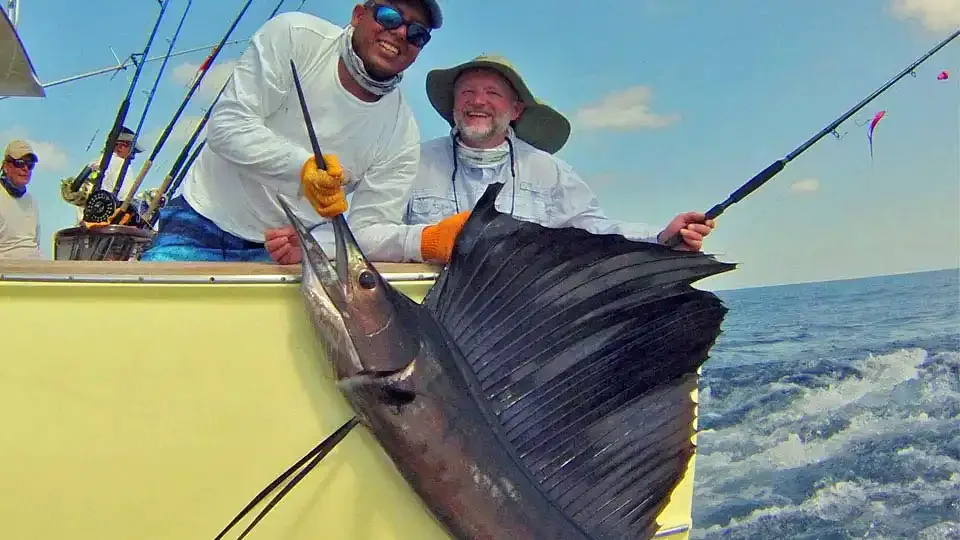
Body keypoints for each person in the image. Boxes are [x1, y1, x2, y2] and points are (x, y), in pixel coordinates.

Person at [265, 54, 716, 265]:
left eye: (492, 94)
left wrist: (661, 236)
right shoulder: (410, 162)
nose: (477, 101)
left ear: (515, 110)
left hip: (517, 328)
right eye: (467, 93)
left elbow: (594, 231)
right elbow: (362, 231)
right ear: (453, 106)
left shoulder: (550, 170)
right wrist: (305, 244)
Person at [140, 0, 443, 262]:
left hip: (290, 250)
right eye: (389, 16)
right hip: (203, 219)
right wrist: (303, 168)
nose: (401, 33)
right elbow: (226, 127)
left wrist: (427, 239)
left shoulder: (402, 133)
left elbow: (369, 228)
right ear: (358, 15)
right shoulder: (292, 35)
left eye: (417, 34)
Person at [74, 126, 145, 222]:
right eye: (133, 151)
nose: (133, 156)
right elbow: (127, 199)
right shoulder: (120, 163)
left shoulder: (95, 163)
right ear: (120, 146)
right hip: (109, 226)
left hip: (86, 223)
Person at [0, 140, 43, 259]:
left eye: (30, 164)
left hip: (34, 270)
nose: (26, 169)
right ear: (6, 167)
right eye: (20, 163)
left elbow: (36, 242)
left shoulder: (32, 201)